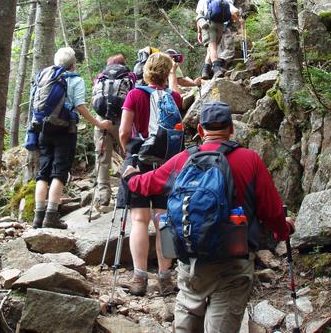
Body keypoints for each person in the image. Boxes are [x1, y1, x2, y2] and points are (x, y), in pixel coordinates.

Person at [123, 101, 295, 333]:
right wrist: (284, 230)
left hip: (191, 262)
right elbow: (271, 211)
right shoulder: (249, 160)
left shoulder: (182, 160)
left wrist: (131, 177)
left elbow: (147, 183)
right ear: (231, 128)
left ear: (201, 131)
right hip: (233, 264)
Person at [119, 52, 183, 296]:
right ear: (167, 73)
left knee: (139, 220)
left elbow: (125, 131)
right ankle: (165, 278)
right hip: (168, 166)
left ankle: (139, 278)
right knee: (164, 220)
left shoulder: (135, 94)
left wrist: (129, 154)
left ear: (146, 70)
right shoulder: (173, 97)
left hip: (138, 161)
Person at [33, 47, 112, 230]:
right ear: (73, 63)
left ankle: (38, 216)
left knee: (43, 171)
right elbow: (80, 107)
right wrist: (99, 124)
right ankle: (51, 216)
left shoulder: (45, 76)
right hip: (65, 130)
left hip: (43, 129)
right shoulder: (75, 80)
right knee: (59, 171)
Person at [93, 53, 135, 207]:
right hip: (122, 118)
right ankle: (129, 191)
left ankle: (103, 195)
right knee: (129, 154)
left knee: (103, 157)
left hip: (101, 119)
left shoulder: (101, 76)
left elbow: (94, 97)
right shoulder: (128, 76)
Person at [196, 0, 241, 79]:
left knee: (212, 47)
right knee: (212, 48)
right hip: (220, 25)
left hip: (209, 25)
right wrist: (239, 21)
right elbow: (234, 11)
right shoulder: (220, 0)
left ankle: (216, 69)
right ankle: (206, 70)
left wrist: (199, 32)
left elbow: (199, 16)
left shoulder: (203, 0)